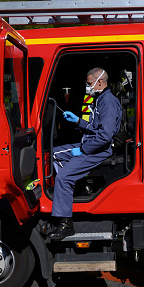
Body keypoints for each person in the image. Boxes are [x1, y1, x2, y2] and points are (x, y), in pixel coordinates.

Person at [47, 68, 122, 240]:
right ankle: (74, 187)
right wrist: (78, 121)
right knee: (55, 154)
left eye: (89, 83)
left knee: (63, 178)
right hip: (92, 146)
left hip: (97, 150)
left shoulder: (108, 102)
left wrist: (82, 150)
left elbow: (104, 137)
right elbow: (95, 128)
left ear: (99, 82)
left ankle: (66, 224)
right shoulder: (101, 100)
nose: (87, 86)